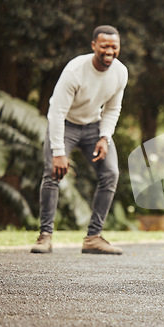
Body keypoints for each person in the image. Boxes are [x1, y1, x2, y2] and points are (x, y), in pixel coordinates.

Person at [31, 25, 128, 255]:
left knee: (110, 173)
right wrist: (58, 152)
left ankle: (93, 238)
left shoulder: (120, 72)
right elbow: (56, 113)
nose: (109, 51)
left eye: (114, 46)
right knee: (52, 175)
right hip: (65, 126)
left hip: (94, 127)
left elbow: (113, 109)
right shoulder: (75, 70)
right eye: (104, 45)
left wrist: (105, 137)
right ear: (93, 45)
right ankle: (45, 236)